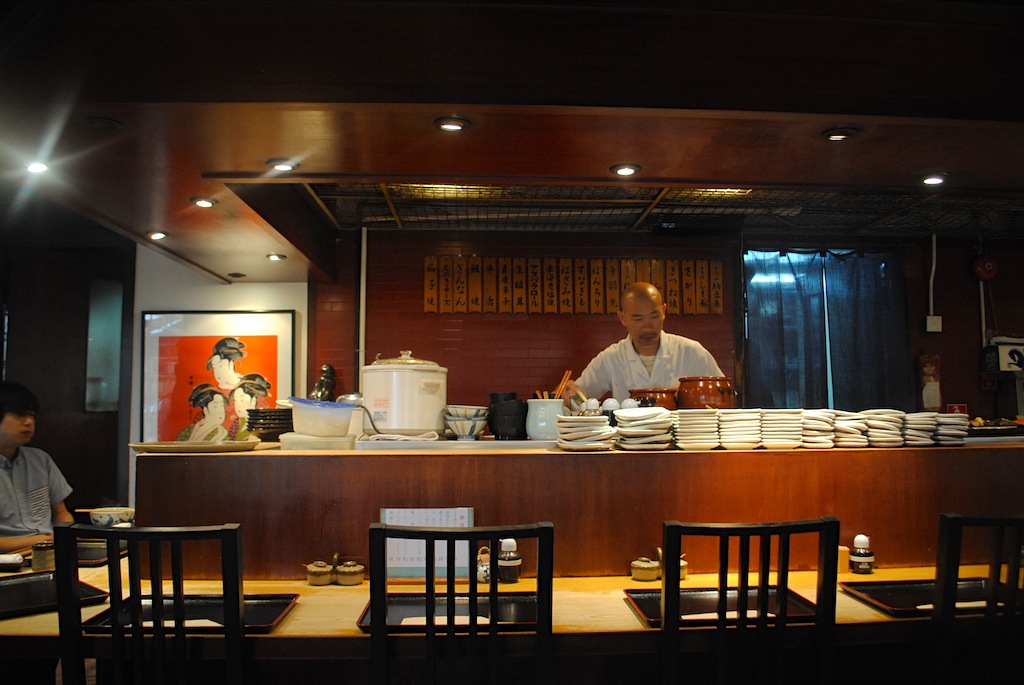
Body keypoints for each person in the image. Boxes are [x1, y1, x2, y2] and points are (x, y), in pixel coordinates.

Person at [563, 282, 724, 403]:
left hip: (684, 438)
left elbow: (724, 395)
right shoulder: (611, 358)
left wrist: (693, 393)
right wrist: (568, 394)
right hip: (629, 439)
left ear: (664, 311)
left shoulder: (692, 352)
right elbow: (578, 398)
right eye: (638, 318)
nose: (647, 326)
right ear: (623, 318)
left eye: (654, 316)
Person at [0, 382, 73, 554]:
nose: (29, 422)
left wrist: (63, 535)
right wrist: (38, 541)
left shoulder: (40, 459)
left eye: (31, 415)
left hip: (51, 551)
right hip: (9, 558)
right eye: (19, 415)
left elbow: (61, 513)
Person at [227, 373, 272, 440]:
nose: (238, 405)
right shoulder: (237, 423)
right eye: (236, 400)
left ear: (253, 401)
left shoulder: (261, 423)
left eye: (241, 400)